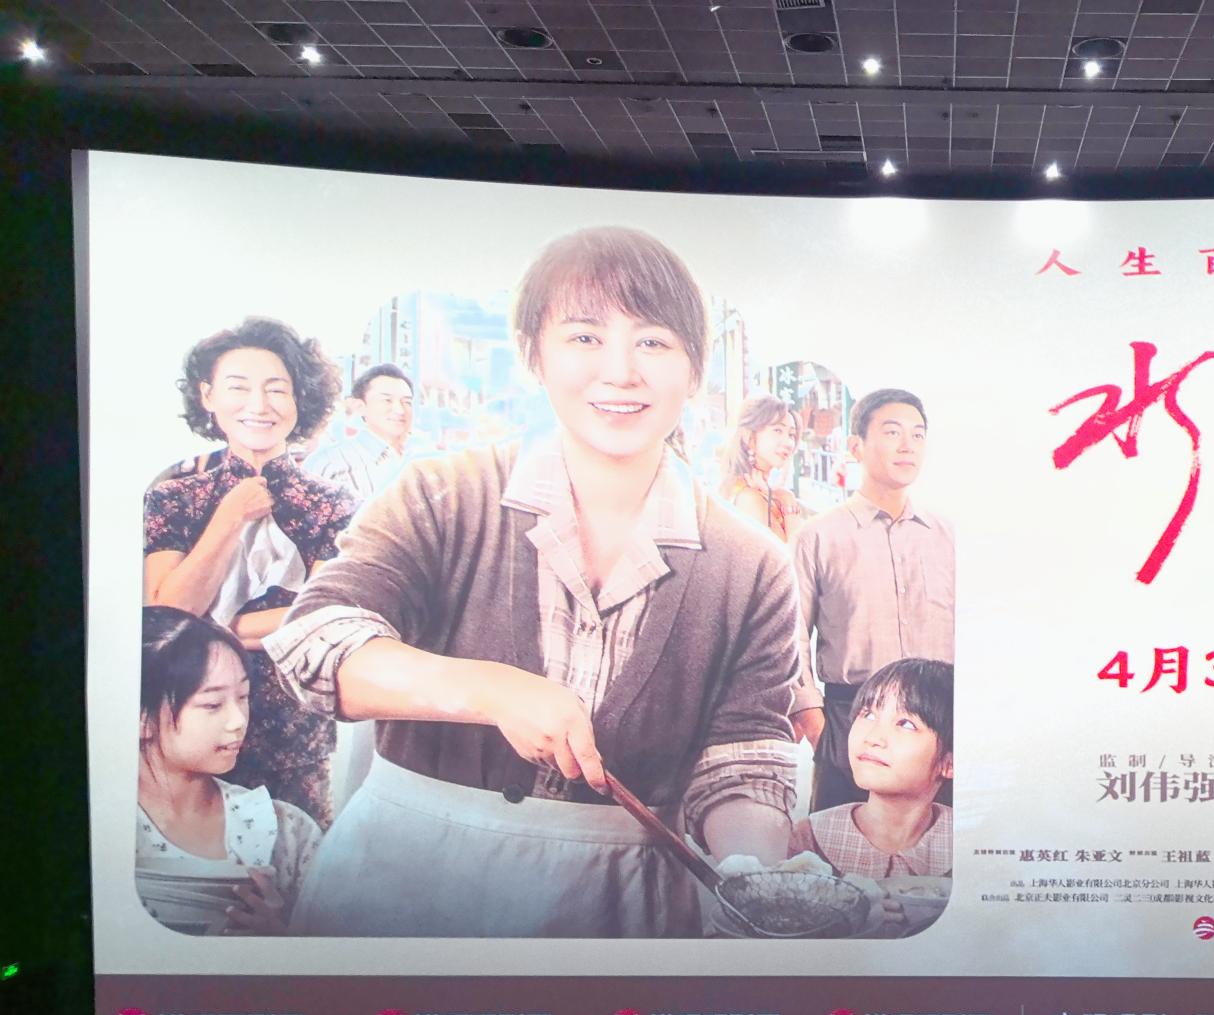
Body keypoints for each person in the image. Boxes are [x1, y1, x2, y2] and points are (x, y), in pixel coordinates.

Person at [269, 227, 802, 939]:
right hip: (403, 885)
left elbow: (745, 761)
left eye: (653, 341)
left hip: (621, 907)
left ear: (694, 369)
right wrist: (492, 690)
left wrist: (753, 878)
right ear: (533, 354)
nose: (621, 372)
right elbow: (316, 642)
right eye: (584, 337)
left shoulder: (753, 564)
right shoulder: (442, 493)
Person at [147, 316, 353, 822]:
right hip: (186, 731)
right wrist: (230, 518)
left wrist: (213, 625)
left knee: (295, 856)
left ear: (300, 399)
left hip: (296, 733)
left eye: (276, 389)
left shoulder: (331, 503)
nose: (258, 405)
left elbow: (325, 618)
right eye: (238, 387)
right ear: (208, 395)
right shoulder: (172, 496)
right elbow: (167, 614)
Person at [791, 386, 952, 811]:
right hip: (852, 716)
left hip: (939, 726)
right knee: (840, 846)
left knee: (940, 848)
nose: (907, 446)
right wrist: (817, 726)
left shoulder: (947, 536)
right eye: (892, 432)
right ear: (855, 446)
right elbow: (789, 639)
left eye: (918, 435)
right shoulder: (819, 536)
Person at [137, 608, 322, 934]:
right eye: (212, 704)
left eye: (243, 696)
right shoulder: (99, 825)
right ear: (141, 717)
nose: (238, 721)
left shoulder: (288, 830)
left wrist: (284, 941)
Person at [791, 657, 954, 893]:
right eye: (868, 715)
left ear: (949, 763)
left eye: (906, 724)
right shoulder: (807, 840)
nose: (873, 737)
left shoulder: (967, 843)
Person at [303, 364, 417, 507]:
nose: (400, 410)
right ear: (360, 407)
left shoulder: (422, 459)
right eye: (387, 400)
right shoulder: (329, 463)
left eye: (407, 402)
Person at [715, 394, 804, 542]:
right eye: (778, 431)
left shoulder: (760, 491)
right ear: (749, 436)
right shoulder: (749, 498)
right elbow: (793, 555)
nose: (788, 442)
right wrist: (788, 503)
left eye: (791, 435)